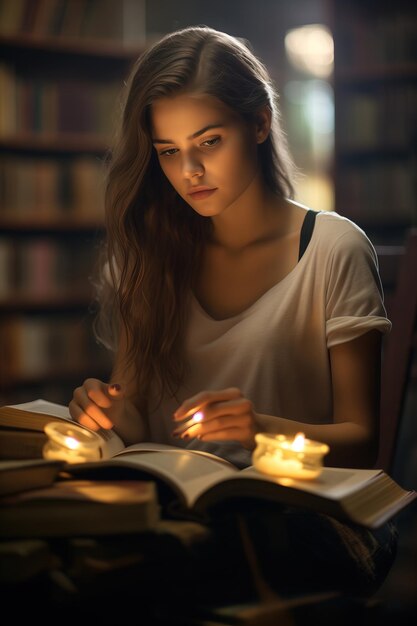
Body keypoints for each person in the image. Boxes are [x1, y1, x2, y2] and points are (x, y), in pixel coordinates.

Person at [69, 26, 397, 597]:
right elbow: (138, 420)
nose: (189, 171)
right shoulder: (153, 257)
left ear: (260, 123)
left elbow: (363, 440)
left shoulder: (331, 248)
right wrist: (105, 414)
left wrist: (258, 430)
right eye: (169, 152)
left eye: (209, 141)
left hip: (300, 515)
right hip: (179, 508)